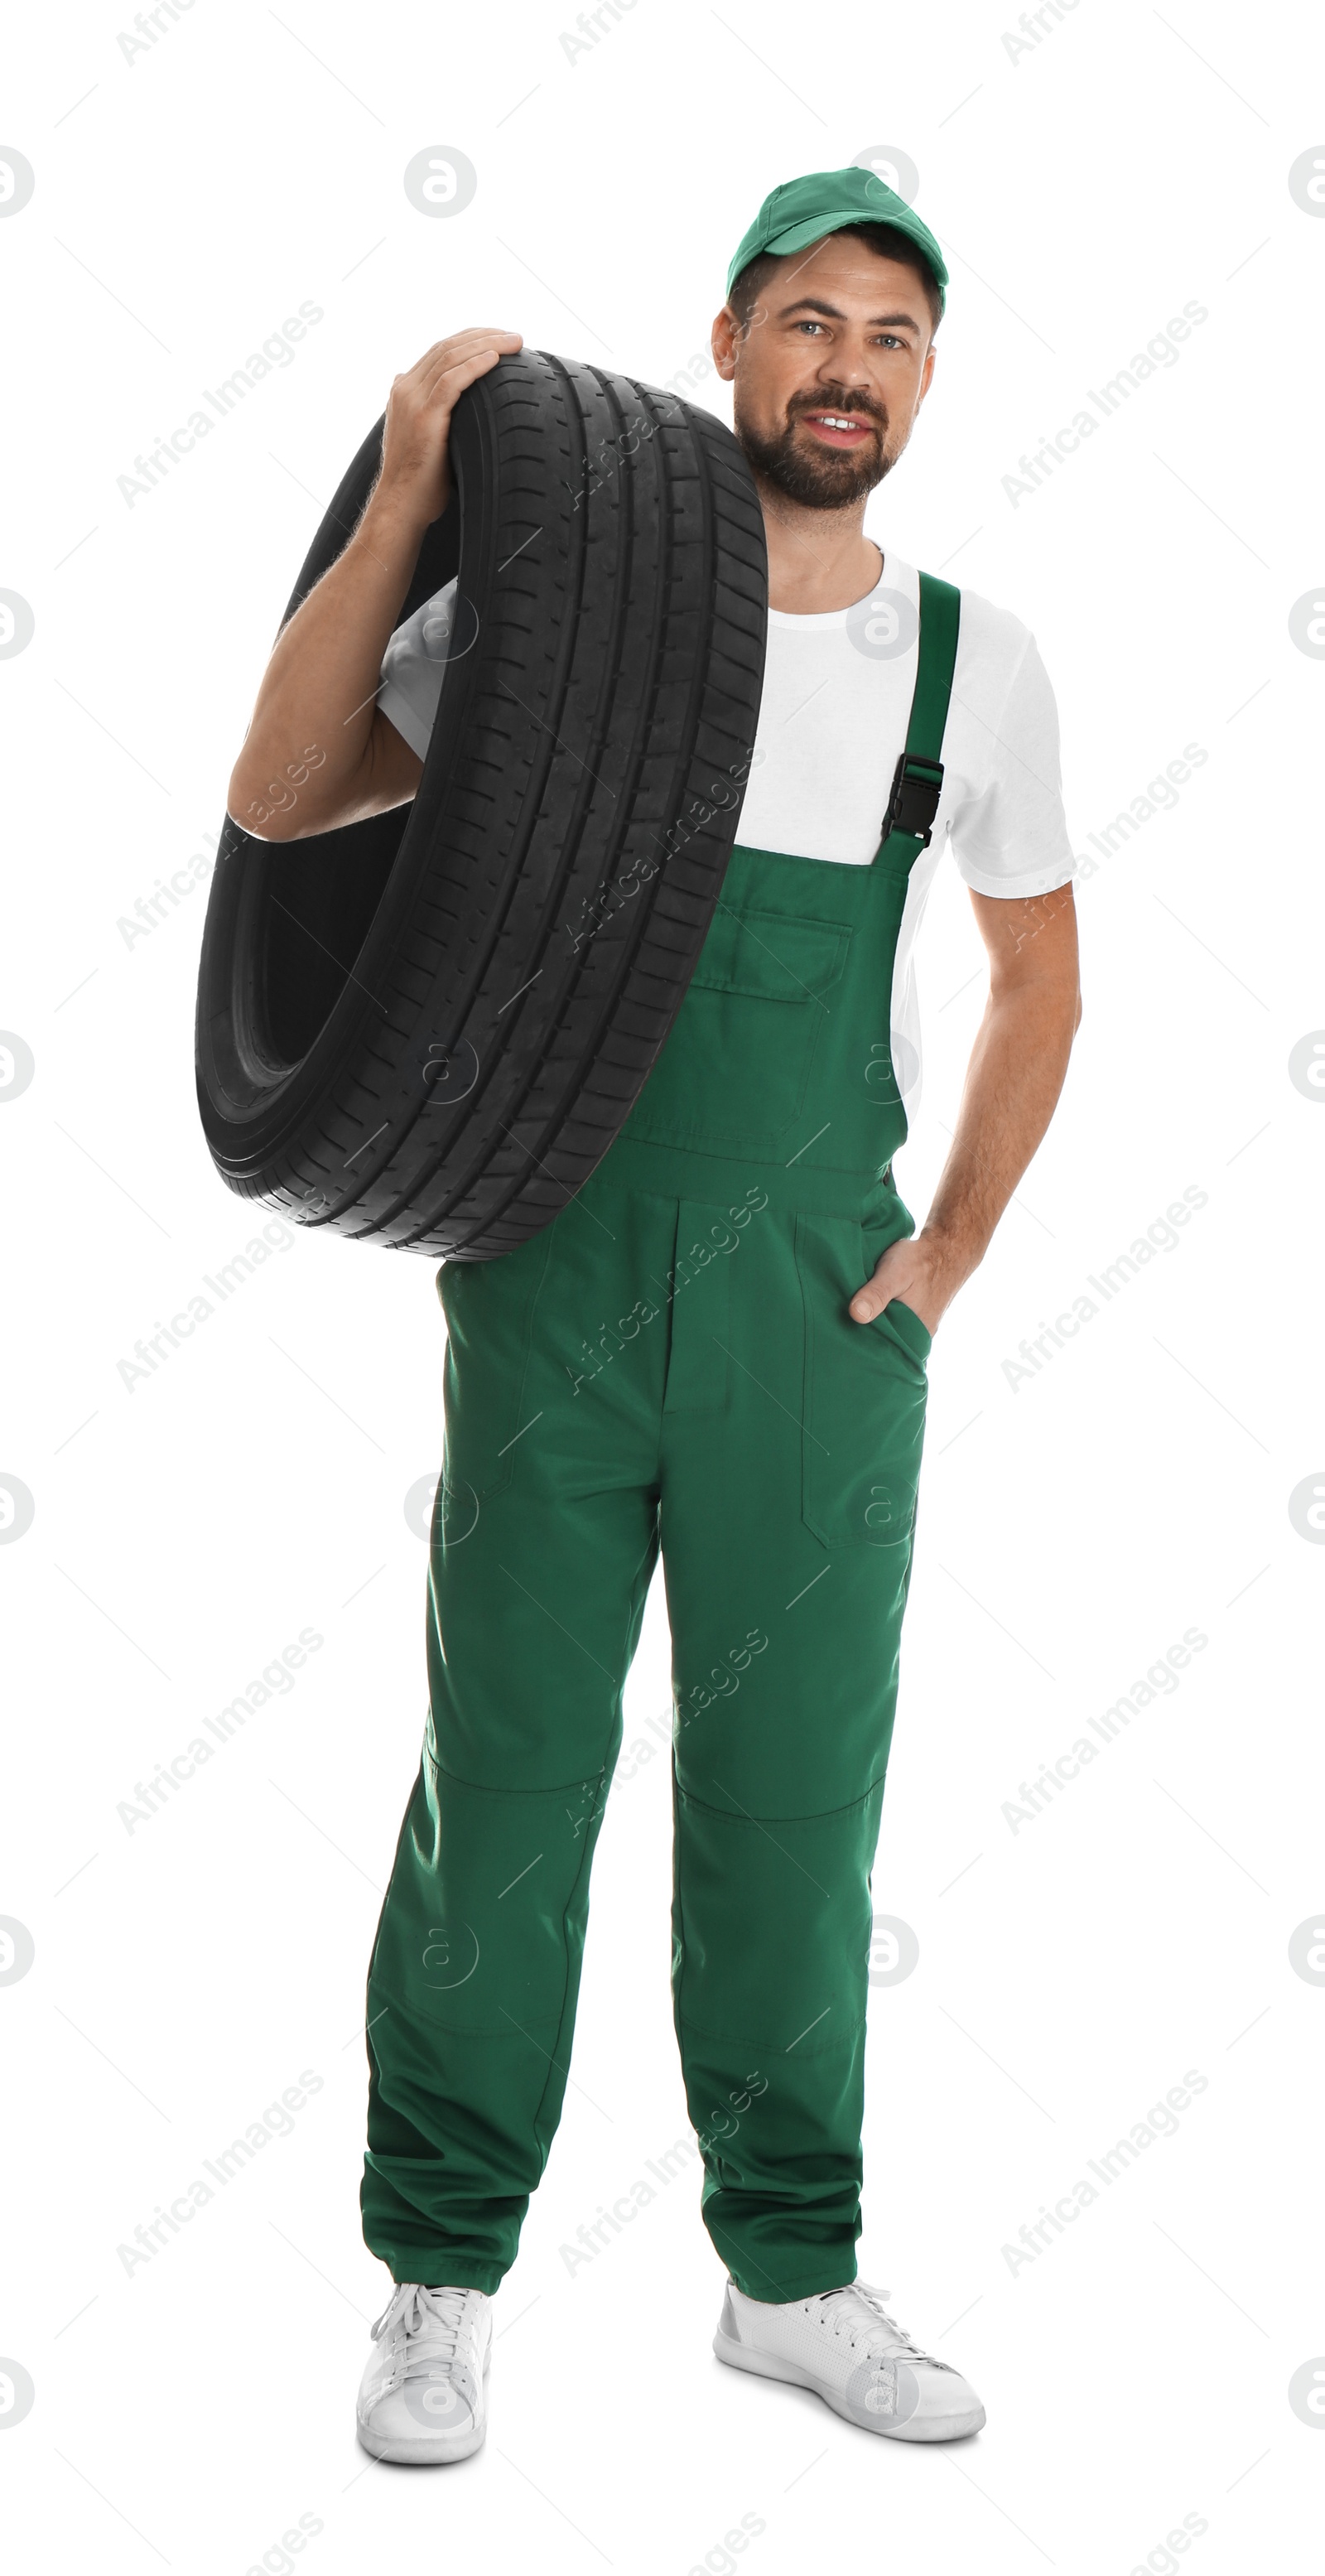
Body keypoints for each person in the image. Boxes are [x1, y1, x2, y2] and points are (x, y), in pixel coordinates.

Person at [227, 166, 1081, 2463]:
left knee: (798, 1809)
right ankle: (438, 2279)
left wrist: (953, 1252)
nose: (847, 370)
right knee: (504, 1782)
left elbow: (1037, 969)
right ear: (725, 343)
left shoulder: (969, 658)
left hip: (824, 1301)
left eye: (893, 337)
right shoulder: (569, 625)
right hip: (557, 1275)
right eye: (809, 323)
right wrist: (413, 489)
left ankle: (794, 2280)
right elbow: (289, 789)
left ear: (923, 381)